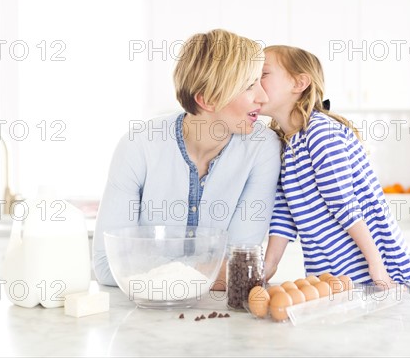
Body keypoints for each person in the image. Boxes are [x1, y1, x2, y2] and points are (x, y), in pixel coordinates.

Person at [93, 29, 281, 288]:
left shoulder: (262, 148)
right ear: (207, 100)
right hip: (141, 319)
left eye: (260, 81)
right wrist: (208, 272)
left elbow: (240, 267)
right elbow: (106, 265)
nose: (263, 97)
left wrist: (147, 269)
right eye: (250, 86)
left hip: (222, 320)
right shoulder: (138, 145)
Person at [260, 45, 410, 286]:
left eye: (262, 74)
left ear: (299, 83)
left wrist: (376, 264)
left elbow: (344, 204)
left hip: (372, 268)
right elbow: (284, 216)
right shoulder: (286, 145)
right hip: (331, 274)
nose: (252, 83)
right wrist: (267, 268)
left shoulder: (320, 132)